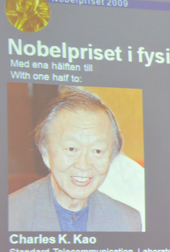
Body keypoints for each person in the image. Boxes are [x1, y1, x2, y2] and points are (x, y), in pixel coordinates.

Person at [9, 87, 141, 231]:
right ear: (46, 153)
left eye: (97, 151)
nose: (84, 165)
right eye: (72, 149)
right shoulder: (11, 215)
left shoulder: (127, 221)